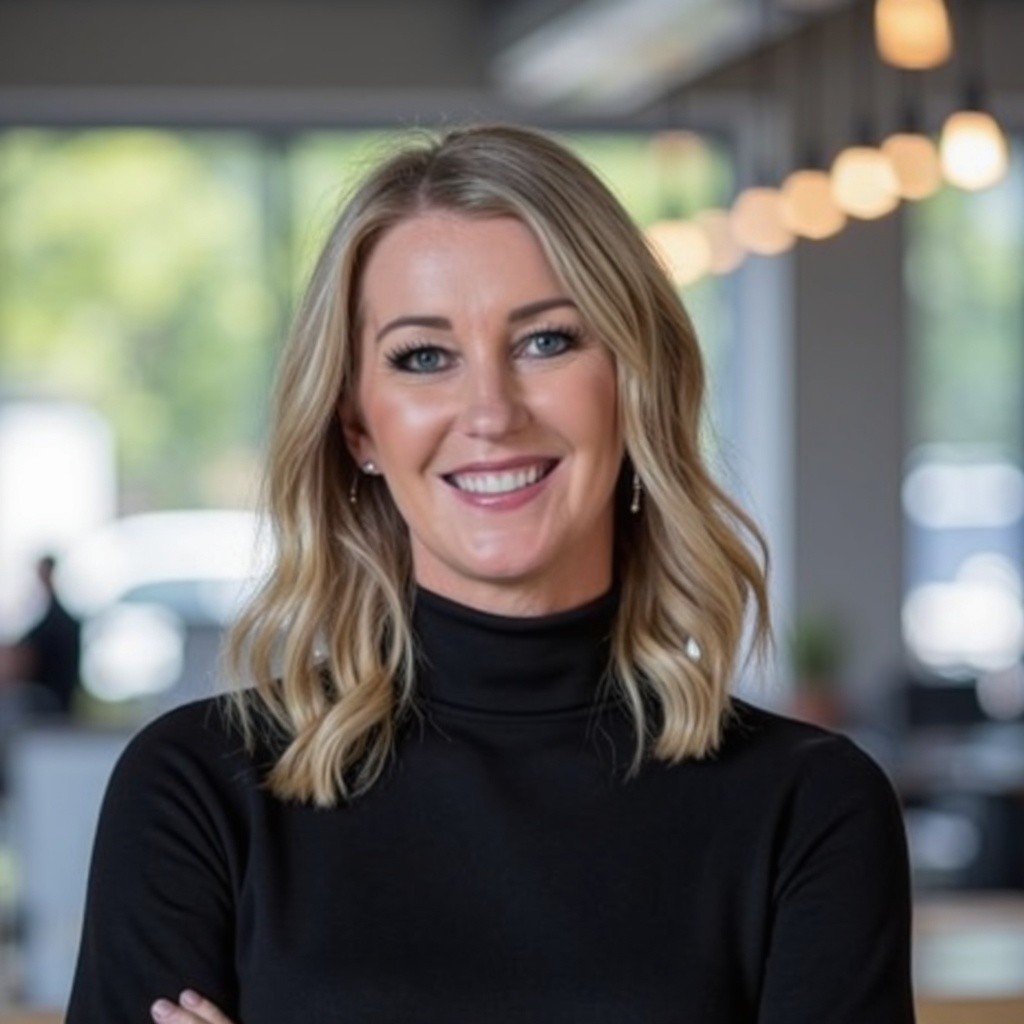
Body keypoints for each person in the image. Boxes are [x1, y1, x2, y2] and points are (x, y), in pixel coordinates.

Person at [66, 124, 915, 1024]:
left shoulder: (808, 809)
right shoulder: (200, 792)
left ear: (634, 381)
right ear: (358, 426)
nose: (491, 412)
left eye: (546, 341)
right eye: (424, 356)